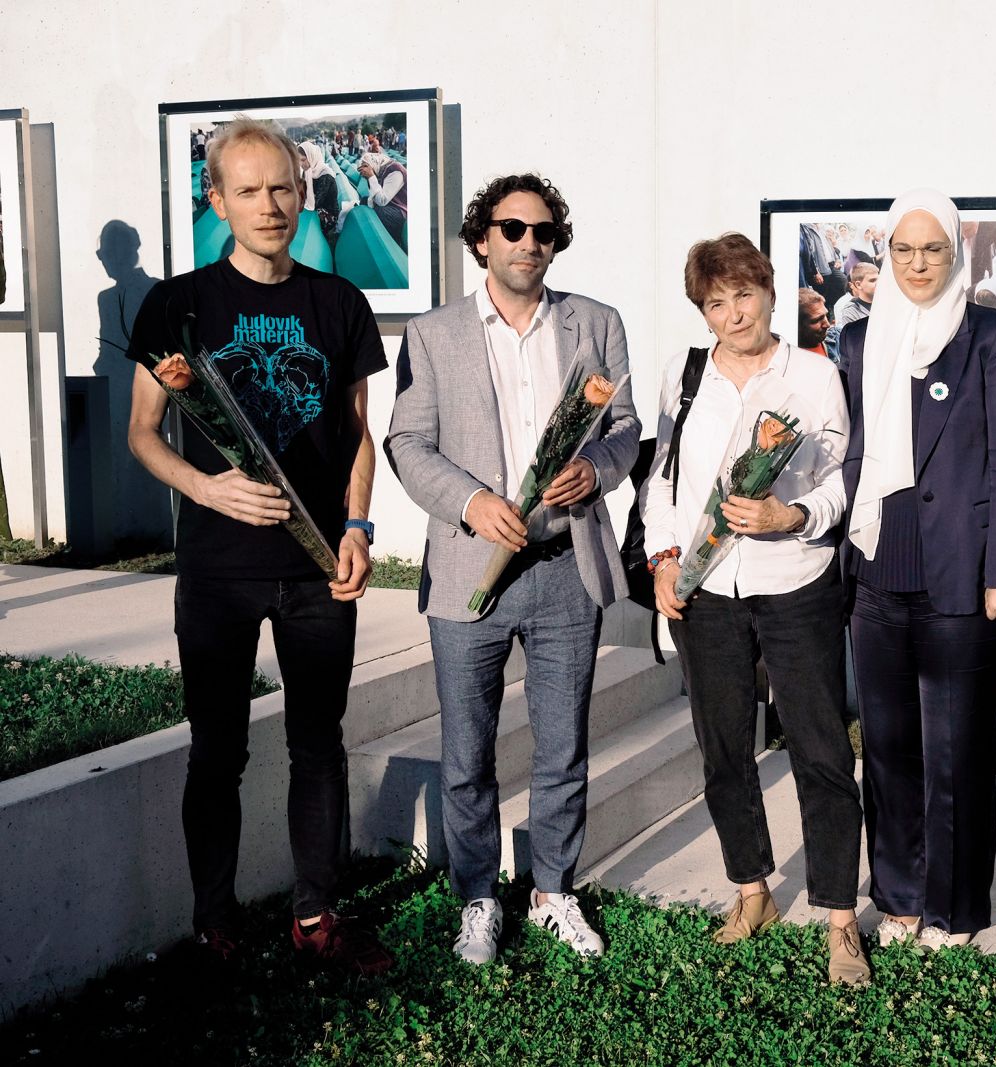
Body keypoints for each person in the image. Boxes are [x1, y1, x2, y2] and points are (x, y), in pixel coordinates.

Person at [125, 116, 392, 975]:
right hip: (217, 569)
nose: (271, 206)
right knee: (219, 749)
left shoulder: (338, 303)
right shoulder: (179, 302)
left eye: (283, 187)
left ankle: (316, 913)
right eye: (249, 191)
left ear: (301, 190)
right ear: (218, 200)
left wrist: (356, 528)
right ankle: (215, 923)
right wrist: (206, 486)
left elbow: (357, 432)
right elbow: (143, 430)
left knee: (319, 742)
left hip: (317, 566)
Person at [386, 173, 639, 965]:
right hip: (471, 572)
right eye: (513, 228)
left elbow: (626, 428)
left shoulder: (596, 322)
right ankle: (477, 898)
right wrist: (468, 502)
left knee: (563, 745)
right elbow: (406, 442)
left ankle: (553, 888)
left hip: (569, 567)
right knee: (468, 752)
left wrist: (596, 469)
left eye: (545, 232)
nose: (531, 243)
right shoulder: (432, 334)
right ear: (481, 239)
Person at [643, 232, 869, 986]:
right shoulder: (687, 379)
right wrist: (664, 557)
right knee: (724, 750)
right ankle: (752, 891)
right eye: (716, 301)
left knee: (821, 750)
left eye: (744, 294)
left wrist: (794, 516)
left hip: (795, 581)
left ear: (770, 293)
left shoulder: (815, 374)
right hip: (707, 592)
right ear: (702, 310)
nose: (733, 312)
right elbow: (662, 483)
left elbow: (843, 478)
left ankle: (840, 919)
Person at [839, 189, 996, 951]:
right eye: (904, 250)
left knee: (955, 750)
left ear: (956, 254)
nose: (919, 264)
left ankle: (953, 908)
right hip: (876, 575)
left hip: (964, 576)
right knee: (885, 748)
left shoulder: (992, 334)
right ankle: (897, 896)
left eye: (934, 250)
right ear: (886, 255)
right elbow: (848, 455)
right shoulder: (860, 341)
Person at [298, 141, 345, 249]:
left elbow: (314, 204)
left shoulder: (325, 175)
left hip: (328, 213)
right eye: (299, 160)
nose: (301, 164)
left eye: (303, 160)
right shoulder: (309, 172)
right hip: (316, 206)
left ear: (311, 157)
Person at [358, 152, 408, 250]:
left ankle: (391, 246)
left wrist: (371, 176)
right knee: (364, 201)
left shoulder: (396, 171)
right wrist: (369, 179)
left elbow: (382, 200)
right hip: (389, 205)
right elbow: (373, 196)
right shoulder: (381, 170)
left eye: (365, 166)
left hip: (400, 210)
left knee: (379, 213)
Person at [832, 261, 878, 330]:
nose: (878, 283)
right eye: (872, 280)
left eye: (879, 279)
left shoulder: (885, 302)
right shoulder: (850, 312)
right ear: (858, 285)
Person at [797, 287, 833, 361]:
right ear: (798, 325)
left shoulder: (834, 341)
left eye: (826, 316)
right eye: (817, 320)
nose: (827, 325)